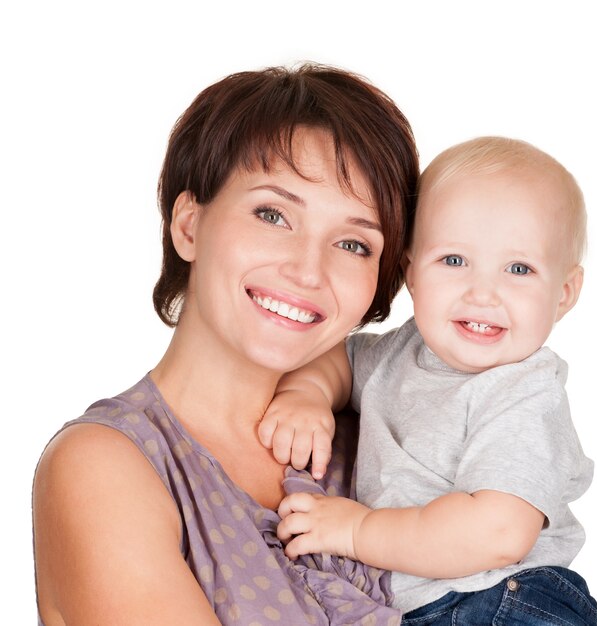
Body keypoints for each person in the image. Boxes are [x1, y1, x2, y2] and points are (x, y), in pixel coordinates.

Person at [32, 64, 420, 625]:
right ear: (188, 226)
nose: (308, 270)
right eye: (273, 214)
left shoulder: (393, 435)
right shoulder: (106, 467)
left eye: (354, 243)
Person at [261, 137, 597, 624]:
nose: (483, 293)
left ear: (564, 293)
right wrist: (308, 394)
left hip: (503, 599)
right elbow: (338, 359)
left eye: (519, 268)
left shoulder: (524, 393)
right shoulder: (400, 351)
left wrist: (360, 532)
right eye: (454, 261)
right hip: (433, 606)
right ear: (411, 275)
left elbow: (498, 534)